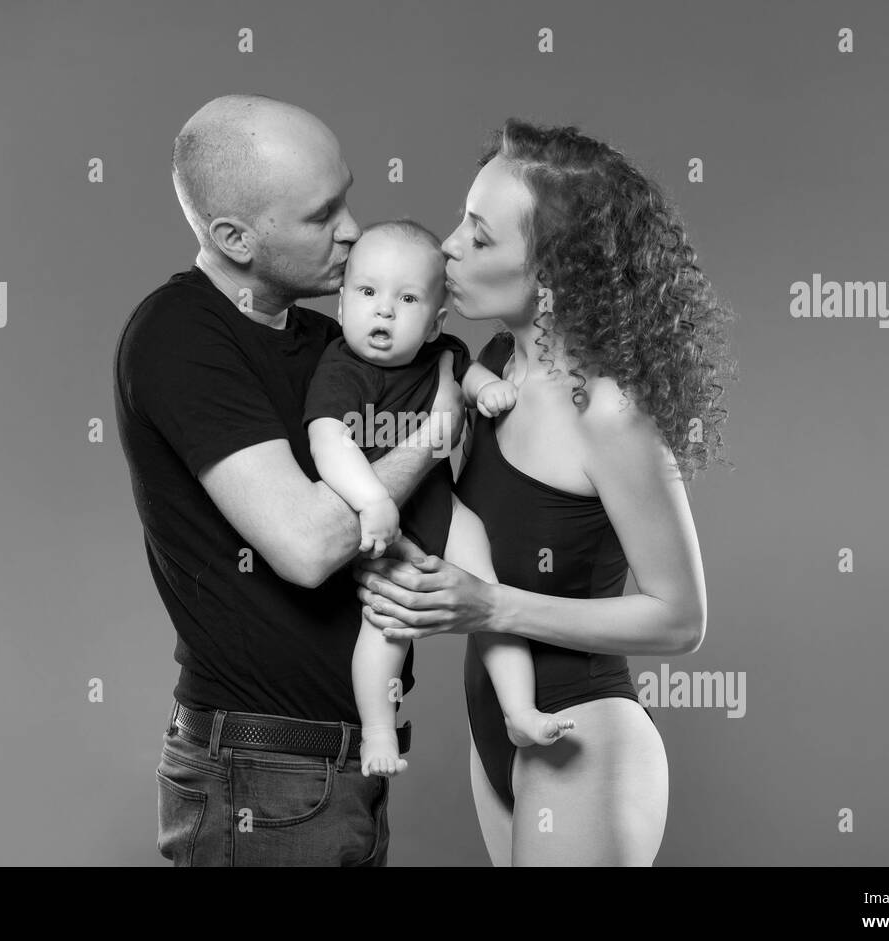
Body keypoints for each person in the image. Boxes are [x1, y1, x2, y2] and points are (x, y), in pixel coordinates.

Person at [354, 118, 737, 865]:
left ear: (553, 278)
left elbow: (680, 620)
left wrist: (491, 605)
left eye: (481, 236)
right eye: (461, 221)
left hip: (581, 735)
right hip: (498, 725)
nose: (447, 247)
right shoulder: (494, 364)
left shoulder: (610, 413)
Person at [112, 93, 465, 866]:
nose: (352, 229)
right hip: (261, 778)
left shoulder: (331, 339)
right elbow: (307, 545)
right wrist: (435, 435)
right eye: (321, 213)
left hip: (348, 767)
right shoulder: (180, 336)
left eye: (348, 197)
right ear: (235, 237)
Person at [302, 220, 575, 779]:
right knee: (388, 627)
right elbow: (328, 442)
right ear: (341, 303)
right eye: (368, 293)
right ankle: (378, 732)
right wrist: (372, 501)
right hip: (384, 530)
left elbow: (465, 372)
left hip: (443, 511)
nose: (384, 312)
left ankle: (519, 710)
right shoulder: (341, 369)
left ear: (434, 324)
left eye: (406, 299)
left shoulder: (441, 353)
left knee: (492, 595)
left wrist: (485, 389)